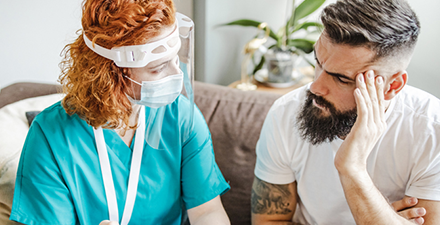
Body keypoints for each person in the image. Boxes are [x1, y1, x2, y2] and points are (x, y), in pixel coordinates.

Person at [9, 0, 230, 224]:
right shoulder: (51, 137)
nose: (176, 75)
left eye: (174, 61)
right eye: (157, 68)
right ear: (112, 73)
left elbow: (207, 211)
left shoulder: (180, 117)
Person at [251, 0, 440, 224]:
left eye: (341, 79)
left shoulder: (431, 130)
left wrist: (352, 168)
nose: (315, 87)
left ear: (392, 86)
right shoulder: (285, 113)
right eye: (318, 63)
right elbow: (268, 221)